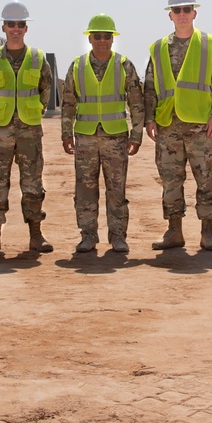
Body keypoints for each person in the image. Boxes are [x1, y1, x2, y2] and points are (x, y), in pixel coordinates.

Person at [144, 0, 212, 251]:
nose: (182, 14)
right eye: (177, 10)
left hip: (201, 126)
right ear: (170, 15)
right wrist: (149, 118)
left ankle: (208, 232)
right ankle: (174, 231)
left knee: (207, 180)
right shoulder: (158, 48)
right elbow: (150, 87)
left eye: (186, 9)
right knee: (171, 180)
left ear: (194, 13)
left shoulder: (208, 44)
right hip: (168, 125)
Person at [61, 14, 145, 253]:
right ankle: (88, 236)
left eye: (106, 36)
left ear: (112, 38)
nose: (102, 41)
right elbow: (68, 103)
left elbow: (136, 103)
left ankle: (118, 236)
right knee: (85, 190)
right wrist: (66, 133)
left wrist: (136, 135)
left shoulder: (124, 65)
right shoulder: (77, 66)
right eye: (97, 36)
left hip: (116, 138)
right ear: (90, 38)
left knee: (116, 189)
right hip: (85, 138)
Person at [0, 0, 54, 254]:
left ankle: (36, 235)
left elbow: (46, 89)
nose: (15, 28)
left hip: (30, 130)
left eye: (20, 24)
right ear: (3, 27)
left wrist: (34, 111)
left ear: (26, 28)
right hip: (0, 130)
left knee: (32, 182)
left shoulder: (37, 58)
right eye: (11, 24)